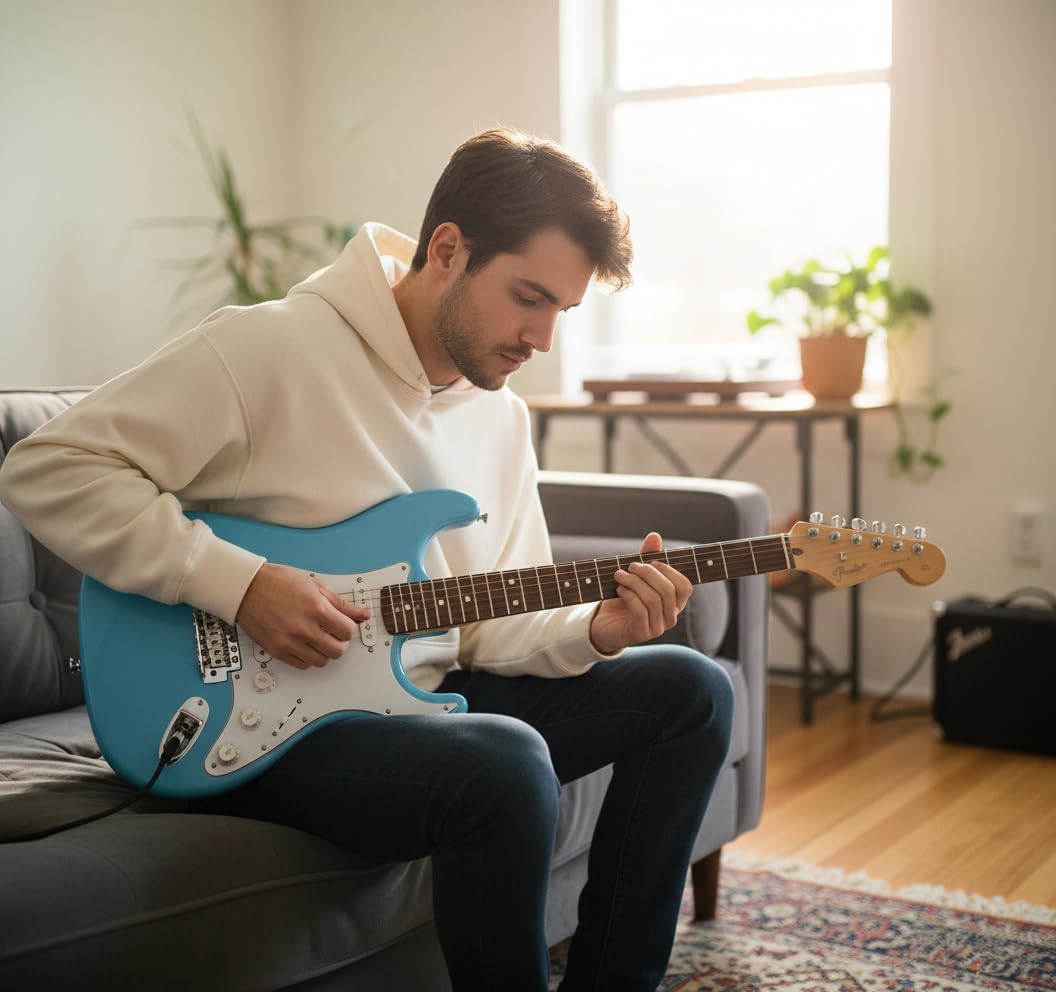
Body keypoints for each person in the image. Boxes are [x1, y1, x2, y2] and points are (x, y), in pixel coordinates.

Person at [0, 127, 733, 991]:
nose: (542, 337)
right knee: (502, 761)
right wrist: (241, 585)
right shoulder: (268, 348)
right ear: (448, 251)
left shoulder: (499, 416)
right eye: (528, 297)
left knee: (694, 691)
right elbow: (48, 466)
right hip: (262, 725)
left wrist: (596, 629)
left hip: (421, 701)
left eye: (561, 312)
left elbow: (491, 630)